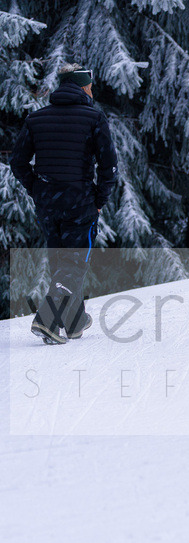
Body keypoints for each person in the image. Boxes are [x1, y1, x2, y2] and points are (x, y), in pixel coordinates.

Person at [10, 64, 117, 344]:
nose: (92, 92)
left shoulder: (37, 118)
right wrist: (99, 200)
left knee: (62, 260)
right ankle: (46, 320)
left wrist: (36, 188)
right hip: (79, 201)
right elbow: (109, 167)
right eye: (90, 87)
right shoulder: (94, 117)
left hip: (47, 203)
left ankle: (73, 321)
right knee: (74, 261)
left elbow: (18, 162)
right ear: (83, 87)